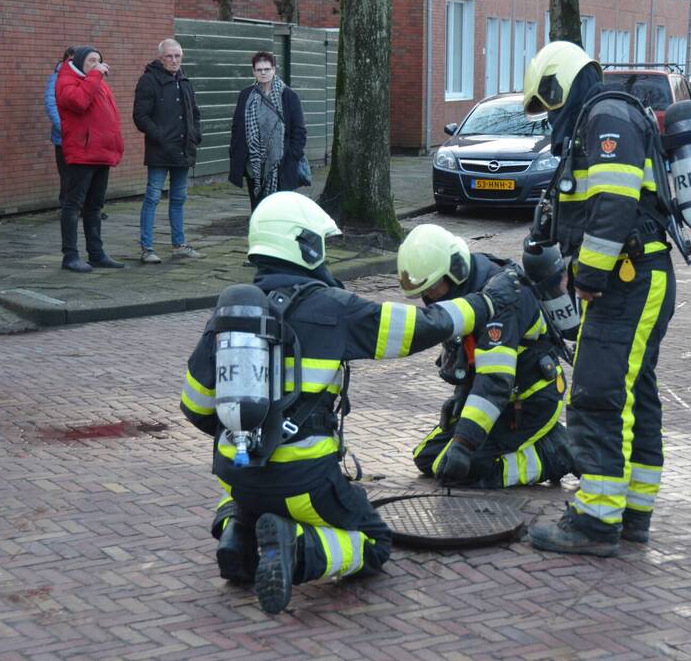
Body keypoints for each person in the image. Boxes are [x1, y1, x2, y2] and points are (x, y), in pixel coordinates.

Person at [179, 193, 519, 614]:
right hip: (304, 480)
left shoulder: (229, 313)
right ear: (304, 245)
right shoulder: (334, 307)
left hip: (237, 473)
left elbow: (194, 407)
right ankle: (298, 550)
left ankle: (237, 532)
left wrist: (249, 434)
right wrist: (486, 303)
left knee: (254, 495)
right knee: (374, 542)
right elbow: (424, 325)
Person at [521, 41, 676, 557]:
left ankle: (595, 520)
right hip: (635, 277)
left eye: (547, 104)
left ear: (558, 83)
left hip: (625, 280)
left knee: (596, 394)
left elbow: (613, 202)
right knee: (634, 396)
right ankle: (632, 512)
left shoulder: (605, 117)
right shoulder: (606, 114)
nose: (549, 118)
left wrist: (586, 275)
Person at [396, 224, 575, 489]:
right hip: (501, 403)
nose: (428, 299)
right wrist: (460, 401)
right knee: (429, 458)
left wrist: (464, 443)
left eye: (432, 289)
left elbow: (494, 382)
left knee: (474, 470)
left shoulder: (502, 300)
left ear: (454, 272)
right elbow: (468, 359)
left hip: (529, 403)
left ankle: (556, 453)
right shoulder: (464, 289)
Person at [133, 39, 204, 264]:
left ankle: (179, 244)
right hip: (160, 150)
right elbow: (140, 117)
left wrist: (195, 135)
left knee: (179, 198)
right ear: (160, 57)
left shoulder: (184, 80)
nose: (174, 60)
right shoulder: (148, 81)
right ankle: (147, 248)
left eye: (177, 56)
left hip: (183, 150)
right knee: (153, 197)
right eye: (169, 56)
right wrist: (161, 137)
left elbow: (194, 112)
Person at [56, 46, 125, 273]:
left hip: (101, 153)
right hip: (82, 154)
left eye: (99, 61)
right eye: (91, 61)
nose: (97, 65)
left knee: (95, 206)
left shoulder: (96, 82)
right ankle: (70, 256)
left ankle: (96, 254)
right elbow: (78, 102)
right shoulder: (67, 81)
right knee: (73, 204)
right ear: (79, 63)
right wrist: (96, 74)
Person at [228, 52, 307, 213]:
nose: (263, 73)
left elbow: (299, 130)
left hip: (281, 162)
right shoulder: (246, 95)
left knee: (281, 208)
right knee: (257, 207)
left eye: (267, 69)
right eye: (259, 70)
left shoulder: (288, 96)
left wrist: (292, 154)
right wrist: (235, 152)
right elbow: (237, 126)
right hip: (254, 162)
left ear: (274, 70)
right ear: (253, 72)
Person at [45, 46, 76, 212]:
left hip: (80, 137)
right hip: (63, 136)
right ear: (65, 60)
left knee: (82, 174)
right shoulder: (56, 78)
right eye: (70, 60)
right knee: (66, 175)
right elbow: (51, 104)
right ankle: (67, 208)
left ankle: (85, 208)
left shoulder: (83, 78)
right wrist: (64, 127)